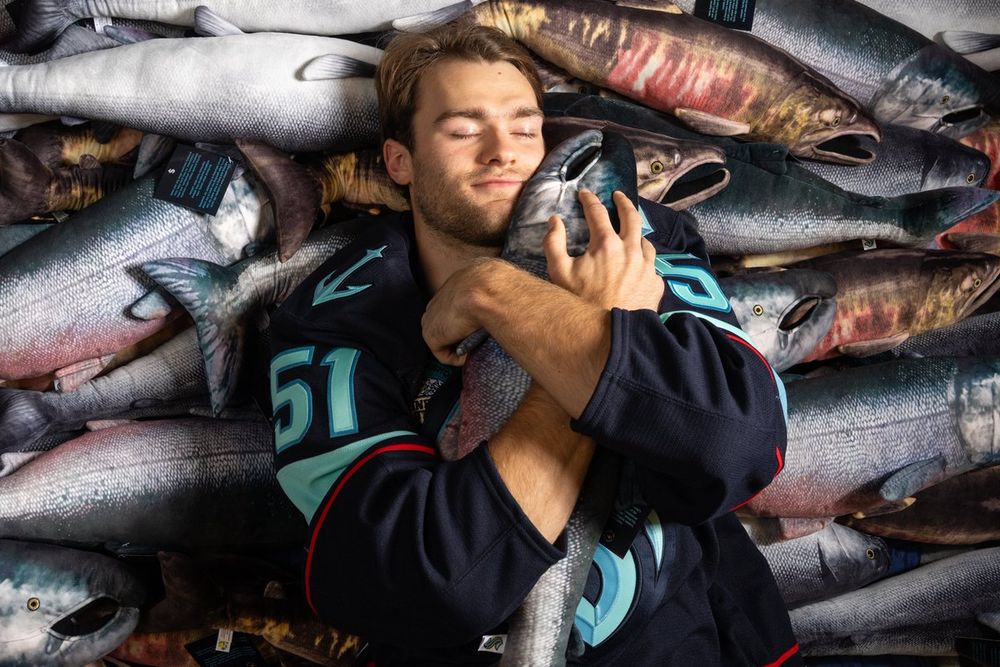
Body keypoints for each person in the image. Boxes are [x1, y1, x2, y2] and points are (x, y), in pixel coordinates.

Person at [267, 23, 801, 666]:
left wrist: (495, 292)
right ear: (398, 161)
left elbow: (736, 444)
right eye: (463, 130)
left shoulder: (634, 236)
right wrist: (592, 330)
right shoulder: (336, 319)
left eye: (524, 128)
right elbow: (435, 581)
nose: (503, 152)